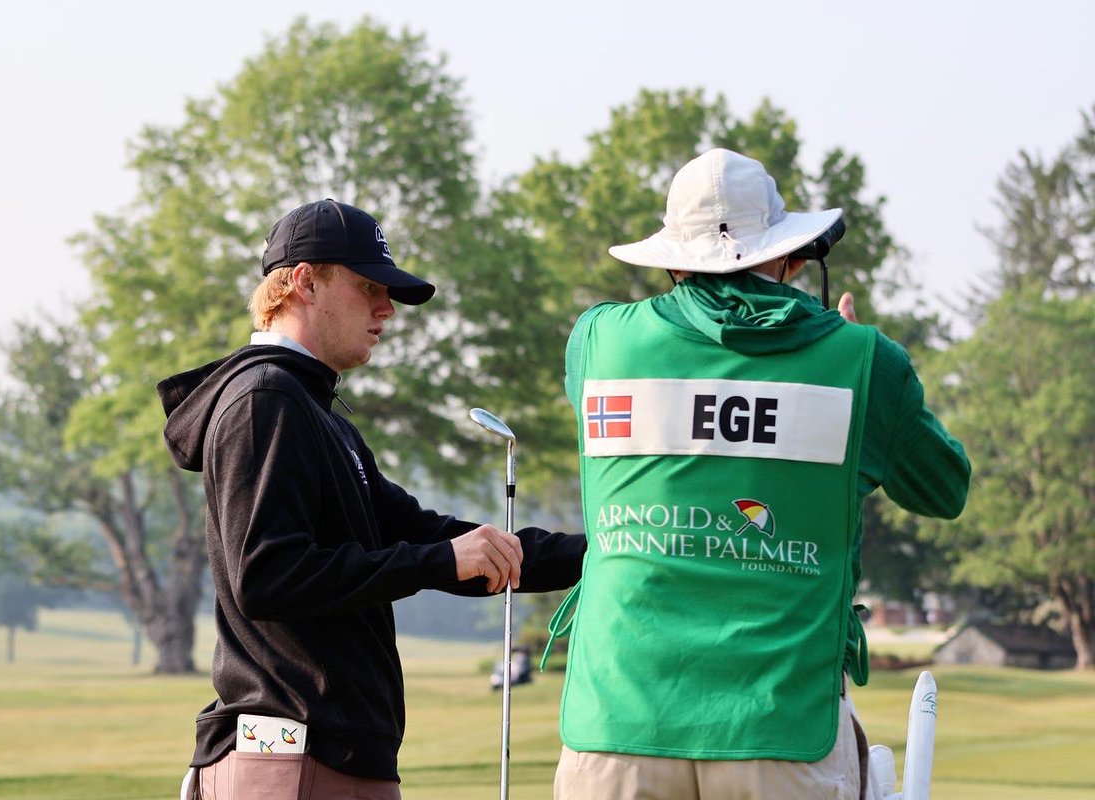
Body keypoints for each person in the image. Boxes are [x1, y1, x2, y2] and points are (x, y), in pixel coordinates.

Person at [547, 149, 970, 800]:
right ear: (792, 258)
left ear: (670, 257)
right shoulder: (864, 362)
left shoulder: (597, 340)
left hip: (617, 726)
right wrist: (858, 378)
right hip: (780, 730)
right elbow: (945, 488)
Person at [157, 198, 585, 799]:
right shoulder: (265, 401)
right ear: (305, 283)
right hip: (291, 756)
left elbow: (425, 536)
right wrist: (438, 561)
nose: (386, 309)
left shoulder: (317, 413)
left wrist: (611, 555)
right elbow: (268, 575)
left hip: (336, 758)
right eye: (368, 287)